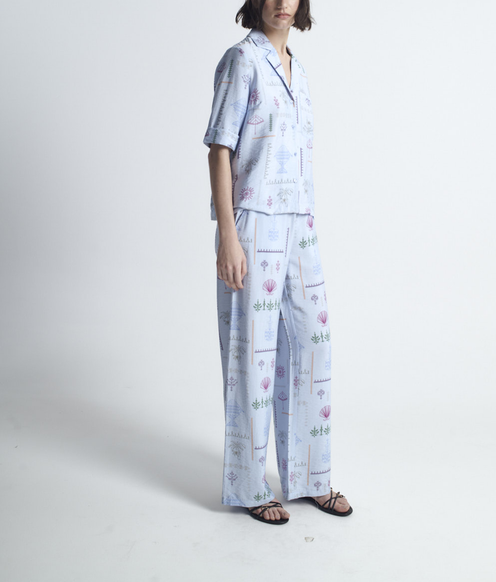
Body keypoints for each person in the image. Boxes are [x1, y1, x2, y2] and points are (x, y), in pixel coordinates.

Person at [203, 0, 353, 524]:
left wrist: (306, 219)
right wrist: (228, 235)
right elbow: (219, 148)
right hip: (254, 220)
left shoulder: (300, 73)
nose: (282, 2)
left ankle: (311, 477)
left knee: (313, 343)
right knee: (253, 356)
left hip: (299, 221)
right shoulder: (241, 60)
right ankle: (249, 486)